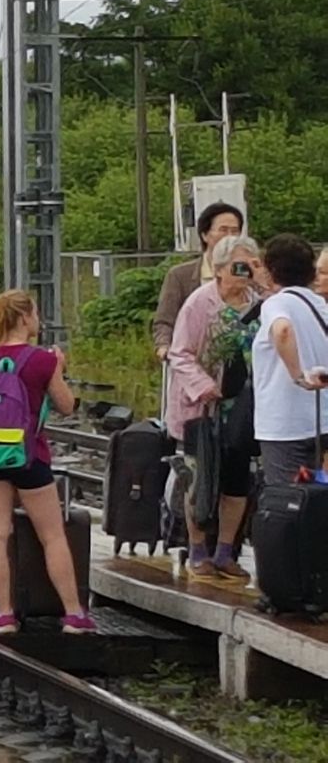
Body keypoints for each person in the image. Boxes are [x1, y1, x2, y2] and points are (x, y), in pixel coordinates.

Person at [0, 289, 94, 635]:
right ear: (24, 318)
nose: (39, 320)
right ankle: (74, 614)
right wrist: (59, 369)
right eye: (35, 313)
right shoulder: (43, 361)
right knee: (52, 536)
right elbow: (66, 405)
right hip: (30, 458)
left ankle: (3, 615)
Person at [165, 234, 261, 579]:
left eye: (249, 265)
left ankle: (225, 550)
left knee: (237, 480)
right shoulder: (199, 303)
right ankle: (197, 549)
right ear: (219, 269)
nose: (244, 273)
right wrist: (204, 386)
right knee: (200, 478)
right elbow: (180, 352)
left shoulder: (258, 301)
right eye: (237, 266)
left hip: (242, 407)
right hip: (201, 407)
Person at [252, 234, 328, 487]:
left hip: (284, 424)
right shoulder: (321, 305)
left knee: (288, 504)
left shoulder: (276, 304)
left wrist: (298, 376)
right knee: (318, 501)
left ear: (272, 270)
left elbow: (283, 330)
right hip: (321, 421)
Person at [153, 202, 245, 360]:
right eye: (223, 230)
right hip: (194, 358)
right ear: (204, 235)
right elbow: (164, 321)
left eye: (235, 231)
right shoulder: (180, 276)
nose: (230, 237)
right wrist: (164, 346)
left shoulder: (247, 274)